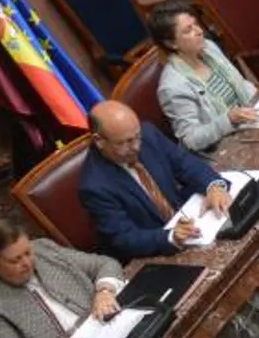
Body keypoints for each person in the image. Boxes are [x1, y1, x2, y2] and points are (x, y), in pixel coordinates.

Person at [0, 217, 124, 338]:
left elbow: (105, 264)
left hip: (109, 329)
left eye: (28, 253)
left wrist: (104, 292)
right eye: (15, 260)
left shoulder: (45, 250)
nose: (27, 263)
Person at [79, 100, 231, 261]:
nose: (136, 146)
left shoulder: (148, 133)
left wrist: (213, 186)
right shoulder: (94, 186)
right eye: (125, 142)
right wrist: (171, 236)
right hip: (157, 253)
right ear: (99, 141)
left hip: (193, 223)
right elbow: (124, 239)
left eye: (137, 137)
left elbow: (184, 163)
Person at [148, 1, 259, 153]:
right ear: (171, 43)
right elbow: (191, 140)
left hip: (251, 123)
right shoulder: (172, 87)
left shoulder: (209, 47)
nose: (199, 31)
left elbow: (239, 83)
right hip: (223, 149)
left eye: (195, 24)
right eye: (188, 30)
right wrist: (228, 119)